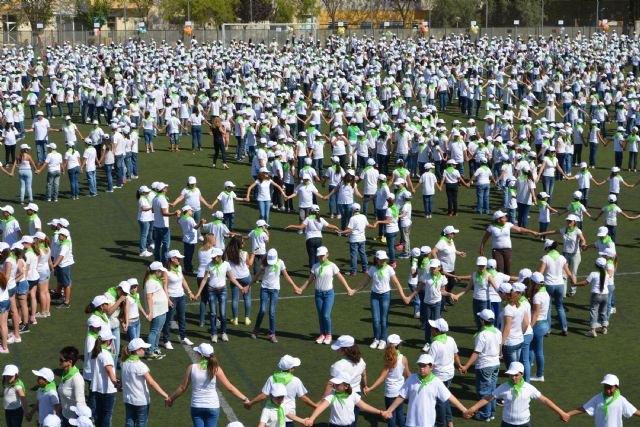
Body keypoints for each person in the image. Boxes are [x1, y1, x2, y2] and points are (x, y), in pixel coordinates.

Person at [168, 343, 250, 427]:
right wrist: (244, 399)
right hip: (212, 406)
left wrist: (171, 399)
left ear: (202, 356)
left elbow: (183, 387)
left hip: (197, 406)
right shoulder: (216, 369)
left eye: (198, 353)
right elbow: (230, 387)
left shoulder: (192, 367)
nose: (197, 354)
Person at [464, 361, 569, 425]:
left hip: (524, 423)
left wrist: (561, 412)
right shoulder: (503, 387)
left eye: (516, 375)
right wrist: (473, 408)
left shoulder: (529, 388)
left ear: (522, 374)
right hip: (507, 423)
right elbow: (488, 398)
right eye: (511, 375)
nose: (513, 378)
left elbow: (545, 400)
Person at [383, 354, 468, 427]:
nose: (421, 368)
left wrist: (464, 410)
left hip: (427, 423)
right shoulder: (412, 379)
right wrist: (389, 410)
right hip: (411, 422)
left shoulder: (436, 382)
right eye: (420, 365)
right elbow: (401, 396)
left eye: (424, 366)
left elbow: (449, 397)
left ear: (431, 367)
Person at [352, 250, 412, 350]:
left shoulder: (389, 269)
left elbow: (397, 283)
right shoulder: (372, 269)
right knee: (375, 320)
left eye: (385, 259)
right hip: (374, 296)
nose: (383, 261)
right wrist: (354, 290)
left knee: (384, 319)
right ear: (377, 259)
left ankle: (383, 340)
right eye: (381, 259)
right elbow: (365, 282)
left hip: (385, 295)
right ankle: (376, 338)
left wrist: (404, 297)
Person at [298, 246, 354, 345]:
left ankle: (328, 334)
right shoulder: (315, 266)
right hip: (318, 294)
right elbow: (310, 279)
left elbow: (340, 277)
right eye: (319, 256)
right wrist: (301, 288)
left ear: (327, 254)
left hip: (328, 294)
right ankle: (322, 334)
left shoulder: (332, 266)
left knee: (326, 315)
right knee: (320, 316)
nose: (321, 257)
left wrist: (348, 288)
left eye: (323, 255)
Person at [244, 355, 317, 425]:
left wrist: (250, 403)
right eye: (294, 367)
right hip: (289, 416)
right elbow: (303, 398)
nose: (295, 368)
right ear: (290, 369)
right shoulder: (296, 380)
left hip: (273, 415)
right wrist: (315, 406)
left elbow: (263, 395)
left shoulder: (272, 378)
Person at [250, 248, 300, 343]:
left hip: (275, 290)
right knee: (262, 310)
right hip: (264, 288)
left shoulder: (280, 263)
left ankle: (272, 333)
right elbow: (257, 275)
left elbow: (286, 276)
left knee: (272, 312)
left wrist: (295, 286)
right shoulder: (265, 262)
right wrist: (249, 285)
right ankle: (256, 329)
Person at [459, 309, 501, 422]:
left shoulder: (482, 335)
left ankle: (485, 414)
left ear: (482, 321)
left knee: (485, 392)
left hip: (485, 365)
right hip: (496, 364)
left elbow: (476, 353)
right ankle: (491, 413)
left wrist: (466, 366)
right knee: (492, 390)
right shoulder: (498, 332)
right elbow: (500, 349)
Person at [195, 247, 244, 342]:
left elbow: (232, 278)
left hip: (223, 291)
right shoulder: (209, 265)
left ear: (220, 256)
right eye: (212, 257)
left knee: (222, 313)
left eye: (214, 257)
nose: (213, 259)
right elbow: (205, 279)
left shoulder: (226, 265)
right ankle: (214, 334)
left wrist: (240, 287)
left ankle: (223, 333)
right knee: (213, 313)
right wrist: (198, 293)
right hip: (211, 290)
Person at [362, 334, 410, 427]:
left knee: (390, 414)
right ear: (398, 345)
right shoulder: (403, 359)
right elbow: (408, 375)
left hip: (390, 393)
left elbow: (382, 377)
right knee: (400, 413)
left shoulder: (389, 359)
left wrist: (370, 388)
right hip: (401, 392)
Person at [121, 338, 170, 427]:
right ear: (136, 351)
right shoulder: (140, 366)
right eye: (143, 349)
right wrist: (166, 395)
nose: (145, 350)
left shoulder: (124, 363)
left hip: (128, 399)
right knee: (141, 423)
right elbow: (152, 383)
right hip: (141, 401)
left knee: (129, 421)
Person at [305, 374, 386, 427]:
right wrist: (312, 418)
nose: (334, 386)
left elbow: (364, 406)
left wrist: (380, 412)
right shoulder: (332, 396)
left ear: (346, 386)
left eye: (338, 384)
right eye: (334, 384)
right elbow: (320, 408)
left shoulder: (353, 395)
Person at [479, 210, 539, 275]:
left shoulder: (508, 225)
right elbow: (484, 240)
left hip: (508, 250)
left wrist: (532, 232)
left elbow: (519, 229)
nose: (506, 218)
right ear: (498, 220)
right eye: (504, 217)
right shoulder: (491, 227)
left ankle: (507, 284)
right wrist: (481, 250)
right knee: (499, 269)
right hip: (496, 251)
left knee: (508, 268)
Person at [566, 374, 640, 425]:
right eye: (605, 387)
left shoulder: (621, 400)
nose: (607, 390)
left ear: (616, 387)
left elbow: (634, 411)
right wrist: (568, 414)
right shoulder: (597, 398)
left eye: (610, 388)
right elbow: (584, 408)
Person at [538, 239, 577, 336]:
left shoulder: (545, 258)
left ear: (547, 248)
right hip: (560, 285)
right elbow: (568, 272)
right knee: (560, 307)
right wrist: (572, 280)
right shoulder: (562, 258)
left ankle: (548, 330)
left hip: (548, 285)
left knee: (548, 308)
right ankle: (564, 328)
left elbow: (540, 273)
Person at [427, 319, 462, 427]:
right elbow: (456, 354)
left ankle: (440, 423)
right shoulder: (451, 339)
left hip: (439, 377)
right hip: (449, 374)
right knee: (445, 396)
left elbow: (429, 363)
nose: (431, 329)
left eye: (433, 328)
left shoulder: (435, 344)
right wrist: (460, 365)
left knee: (440, 401)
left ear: (437, 331)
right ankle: (449, 421)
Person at [326, 335, 368, 425]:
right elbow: (364, 374)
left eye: (338, 348)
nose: (336, 350)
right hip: (356, 395)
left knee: (339, 422)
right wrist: (365, 386)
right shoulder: (361, 361)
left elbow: (330, 385)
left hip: (341, 397)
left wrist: (322, 401)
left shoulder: (338, 365)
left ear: (345, 350)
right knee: (352, 421)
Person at [162, 250, 196, 348]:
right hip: (172, 297)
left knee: (182, 318)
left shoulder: (179, 267)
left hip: (181, 296)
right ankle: (166, 340)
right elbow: (164, 287)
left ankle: (183, 337)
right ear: (172, 259)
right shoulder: (166, 271)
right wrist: (168, 300)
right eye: (178, 258)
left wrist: (189, 292)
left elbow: (183, 280)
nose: (180, 260)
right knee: (169, 320)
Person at [574, 257, 612, 338]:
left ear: (596, 265)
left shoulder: (593, 274)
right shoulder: (607, 274)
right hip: (605, 295)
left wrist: (575, 284)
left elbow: (584, 283)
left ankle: (593, 331)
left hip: (596, 295)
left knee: (593, 311)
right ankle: (604, 328)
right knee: (603, 311)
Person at [89, 330, 118, 427]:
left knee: (99, 414)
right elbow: (109, 370)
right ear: (108, 341)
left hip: (97, 388)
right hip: (108, 390)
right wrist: (115, 382)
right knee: (106, 416)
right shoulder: (105, 354)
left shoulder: (95, 352)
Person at [224, 235, 254, 327]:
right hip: (246, 277)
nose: (243, 243)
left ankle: (235, 319)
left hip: (234, 278)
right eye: (242, 242)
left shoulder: (227, 253)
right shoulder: (244, 253)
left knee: (235, 299)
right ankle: (247, 318)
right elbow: (249, 263)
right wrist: (253, 254)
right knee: (247, 298)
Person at [527, 272, 550, 382]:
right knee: (533, 348)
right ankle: (528, 367)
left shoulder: (537, 296)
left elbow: (535, 313)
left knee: (538, 351)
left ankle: (540, 374)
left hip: (538, 325)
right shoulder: (545, 293)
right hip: (544, 322)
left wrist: (530, 327)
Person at [144, 261, 169, 360]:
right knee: (154, 331)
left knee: (158, 331)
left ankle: (154, 348)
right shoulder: (150, 282)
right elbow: (149, 298)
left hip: (161, 309)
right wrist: (150, 312)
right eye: (160, 271)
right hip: (157, 310)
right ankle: (150, 351)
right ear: (157, 271)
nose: (162, 273)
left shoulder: (155, 280)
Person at [151, 182, 181, 264]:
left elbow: (153, 210)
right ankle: (164, 262)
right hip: (163, 226)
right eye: (165, 187)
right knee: (165, 245)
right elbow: (164, 213)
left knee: (157, 244)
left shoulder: (155, 198)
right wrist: (174, 214)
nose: (167, 188)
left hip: (156, 225)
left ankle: (156, 261)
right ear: (163, 190)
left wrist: (167, 204)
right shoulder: (163, 199)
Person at [341, 203, 373, 277]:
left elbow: (349, 230)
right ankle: (365, 269)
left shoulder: (352, 218)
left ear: (353, 210)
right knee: (363, 253)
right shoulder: (363, 216)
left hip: (354, 239)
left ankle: (353, 272)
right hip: (362, 239)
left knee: (354, 255)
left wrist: (341, 231)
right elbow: (368, 225)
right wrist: (374, 225)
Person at [57, 346, 86, 424]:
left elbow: (81, 402)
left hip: (74, 420)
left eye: (61, 360)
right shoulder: (65, 373)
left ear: (70, 362)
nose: (59, 362)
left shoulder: (76, 379)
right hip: (65, 416)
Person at [137, 185, 154, 257]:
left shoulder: (145, 198)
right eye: (146, 192)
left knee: (146, 234)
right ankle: (142, 250)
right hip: (144, 219)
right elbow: (144, 208)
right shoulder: (142, 199)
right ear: (142, 192)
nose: (148, 193)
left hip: (148, 218)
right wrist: (152, 207)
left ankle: (144, 248)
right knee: (144, 235)